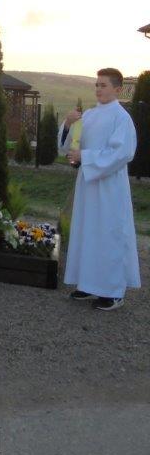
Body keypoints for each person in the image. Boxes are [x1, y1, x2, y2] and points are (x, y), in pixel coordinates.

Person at [59, 67, 141, 311]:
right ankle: (87, 284)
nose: (98, 89)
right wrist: (68, 125)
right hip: (88, 186)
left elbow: (122, 153)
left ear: (117, 89)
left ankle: (113, 292)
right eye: (96, 84)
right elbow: (70, 146)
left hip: (110, 188)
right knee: (87, 233)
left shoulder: (121, 118)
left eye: (103, 85)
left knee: (108, 235)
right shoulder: (90, 116)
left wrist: (85, 156)